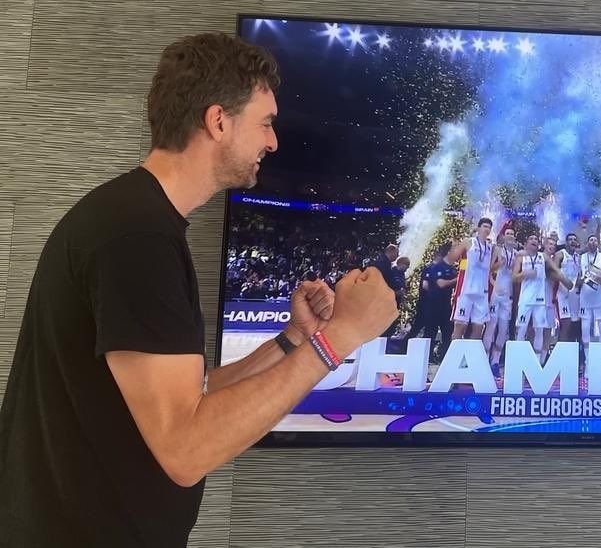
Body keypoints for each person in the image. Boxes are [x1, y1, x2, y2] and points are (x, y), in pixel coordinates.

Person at [0, 33, 399, 547]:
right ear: (217, 122)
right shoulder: (135, 236)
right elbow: (186, 448)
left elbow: (191, 395)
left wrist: (291, 342)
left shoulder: (140, 222)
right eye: (266, 122)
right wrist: (339, 338)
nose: (273, 142)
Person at [451, 219, 494, 343]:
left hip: (482, 292)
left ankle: (470, 360)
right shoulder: (468, 242)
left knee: (478, 328)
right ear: (478, 228)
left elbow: (491, 268)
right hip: (466, 290)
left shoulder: (490, 247)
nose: (487, 229)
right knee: (460, 325)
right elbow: (454, 257)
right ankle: (454, 356)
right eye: (484, 226)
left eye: (489, 227)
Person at [483, 226, 517, 375]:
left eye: (512, 234)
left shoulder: (517, 254)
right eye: (508, 233)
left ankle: (495, 361)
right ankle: (484, 359)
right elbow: (489, 269)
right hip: (496, 295)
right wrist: (493, 285)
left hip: (508, 297)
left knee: (503, 329)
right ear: (503, 236)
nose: (510, 236)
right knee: (491, 326)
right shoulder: (497, 250)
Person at [578, 234, 601, 370]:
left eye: (595, 240)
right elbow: (578, 278)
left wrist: (598, 276)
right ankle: (588, 362)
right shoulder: (581, 257)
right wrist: (580, 280)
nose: (593, 242)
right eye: (590, 239)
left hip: (599, 295)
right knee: (585, 328)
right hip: (585, 296)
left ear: (598, 243)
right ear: (587, 242)